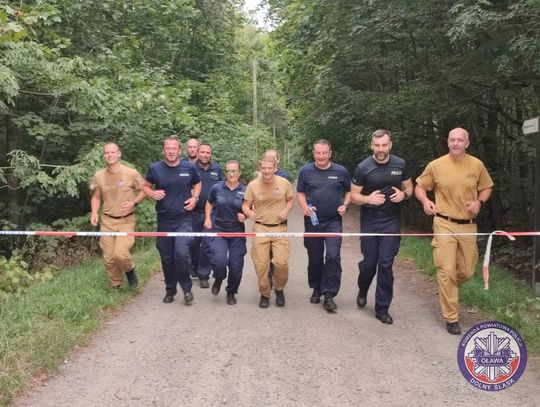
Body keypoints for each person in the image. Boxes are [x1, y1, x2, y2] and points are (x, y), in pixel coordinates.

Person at [415, 127, 493, 335]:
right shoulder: (436, 165)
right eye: (452, 139)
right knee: (446, 270)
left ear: (467, 143)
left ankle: (446, 287)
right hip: (443, 222)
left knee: (467, 271)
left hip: (468, 224)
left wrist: (479, 202)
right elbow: (420, 186)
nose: (455, 143)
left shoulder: (477, 165)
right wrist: (425, 201)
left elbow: (486, 187)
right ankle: (452, 318)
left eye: (460, 140)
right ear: (448, 142)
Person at [350, 129, 413, 324]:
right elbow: (354, 196)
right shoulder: (363, 167)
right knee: (370, 264)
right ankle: (363, 288)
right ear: (372, 146)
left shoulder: (400, 164)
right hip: (370, 219)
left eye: (384, 145)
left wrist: (404, 195)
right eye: (377, 146)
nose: (380, 149)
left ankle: (382, 308)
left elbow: (410, 187)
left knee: (385, 264)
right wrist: (368, 198)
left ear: (390, 145)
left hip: (391, 220)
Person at [143, 136, 201, 304]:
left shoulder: (189, 167)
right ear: (163, 151)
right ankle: (170, 289)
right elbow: (144, 186)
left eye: (174, 148)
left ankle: (187, 289)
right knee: (167, 257)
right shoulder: (155, 168)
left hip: (184, 219)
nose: (171, 151)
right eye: (167, 148)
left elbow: (197, 184)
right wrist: (152, 193)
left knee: (181, 253)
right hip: (164, 220)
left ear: (179, 150)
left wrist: (195, 198)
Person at [296, 139, 351, 312]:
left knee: (333, 256)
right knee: (315, 257)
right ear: (314, 153)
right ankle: (316, 287)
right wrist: (304, 207)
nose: (321, 156)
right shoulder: (305, 171)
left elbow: (349, 191)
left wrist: (345, 205)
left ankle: (329, 294)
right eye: (318, 153)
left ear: (330, 153)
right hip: (313, 221)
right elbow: (300, 193)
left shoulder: (340, 171)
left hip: (333, 221)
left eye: (324, 153)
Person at [90, 142, 145, 289]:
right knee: (108, 258)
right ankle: (116, 286)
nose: (110, 155)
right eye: (106, 153)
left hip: (126, 220)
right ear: (104, 156)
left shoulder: (131, 173)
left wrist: (134, 202)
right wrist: (94, 212)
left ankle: (130, 270)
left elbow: (145, 189)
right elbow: (96, 197)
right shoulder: (99, 175)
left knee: (120, 254)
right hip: (107, 220)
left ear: (119, 154)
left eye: (112, 152)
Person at [242, 153, 294, 308]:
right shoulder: (252, 185)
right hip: (260, 227)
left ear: (275, 168)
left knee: (281, 262)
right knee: (261, 264)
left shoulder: (284, 183)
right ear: (260, 167)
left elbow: (290, 200)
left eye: (269, 168)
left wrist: (286, 210)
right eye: (263, 168)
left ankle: (279, 288)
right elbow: (245, 204)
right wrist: (248, 212)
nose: (266, 171)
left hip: (279, 228)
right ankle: (265, 293)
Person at [204, 160, 247, 305]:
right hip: (219, 230)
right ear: (225, 172)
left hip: (237, 232)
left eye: (234, 171)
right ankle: (218, 277)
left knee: (236, 266)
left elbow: (251, 208)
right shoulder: (217, 188)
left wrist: (245, 216)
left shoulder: (246, 189)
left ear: (239, 172)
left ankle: (231, 291)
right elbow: (209, 202)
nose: (231, 174)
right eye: (228, 171)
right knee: (219, 261)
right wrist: (208, 218)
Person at [190, 142, 223, 288]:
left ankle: (204, 275)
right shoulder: (190, 168)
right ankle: (193, 267)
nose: (205, 155)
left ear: (211, 154)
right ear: (197, 152)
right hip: (192, 213)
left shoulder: (217, 169)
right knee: (193, 243)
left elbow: (222, 188)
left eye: (207, 152)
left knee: (207, 244)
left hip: (211, 213)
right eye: (202, 152)